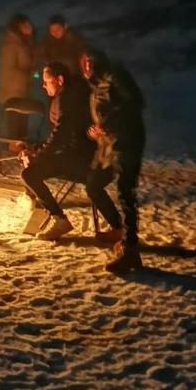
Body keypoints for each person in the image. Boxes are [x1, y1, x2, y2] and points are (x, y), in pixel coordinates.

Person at [81, 48, 146, 273]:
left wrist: (106, 124)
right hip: (110, 144)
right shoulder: (98, 85)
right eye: (83, 62)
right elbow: (105, 113)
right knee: (95, 183)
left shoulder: (114, 75)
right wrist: (97, 130)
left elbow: (135, 102)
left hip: (127, 141)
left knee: (125, 192)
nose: (86, 66)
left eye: (90, 61)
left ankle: (130, 251)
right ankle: (121, 232)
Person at [19, 61, 94, 241]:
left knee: (29, 174)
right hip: (78, 154)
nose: (43, 85)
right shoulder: (70, 95)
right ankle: (35, 201)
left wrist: (39, 155)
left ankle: (59, 219)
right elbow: (60, 137)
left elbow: (61, 136)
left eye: (47, 81)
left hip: (81, 160)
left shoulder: (66, 100)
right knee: (31, 165)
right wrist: (37, 150)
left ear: (59, 80)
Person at [0, 14, 36, 144]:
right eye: (26, 25)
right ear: (18, 27)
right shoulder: (12, 44)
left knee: (23, 129)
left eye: (30, 25)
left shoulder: (25, 43)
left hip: (23, 91)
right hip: (13, 92)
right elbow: (9, 70)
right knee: (15, 129)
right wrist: (28, 75)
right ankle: (14, 155)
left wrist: (35, 74)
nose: (30, 27)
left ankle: (22, 156)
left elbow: (31, 63)